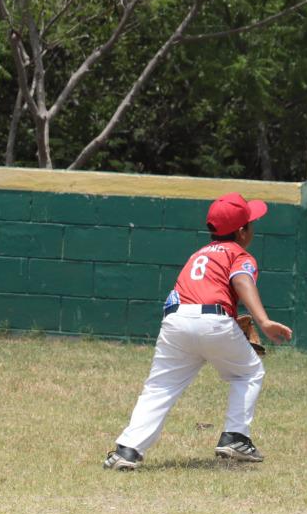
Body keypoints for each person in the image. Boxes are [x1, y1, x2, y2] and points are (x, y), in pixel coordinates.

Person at [103, 193, 293, 469]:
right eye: (251, 224)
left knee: (160, 386)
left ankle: (127, 450)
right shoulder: (238, 253)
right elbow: (241, 280)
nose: (252, 228)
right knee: (249, 372)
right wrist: (263, 321)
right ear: (242, 232)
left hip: (176, 320)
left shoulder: (198, 254)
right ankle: (235, 436)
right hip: (212, 321)